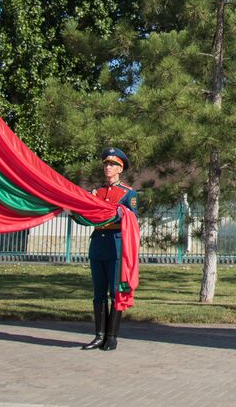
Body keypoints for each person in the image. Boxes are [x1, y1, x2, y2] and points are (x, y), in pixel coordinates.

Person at [84, 146, 137, 351]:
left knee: (115, 292)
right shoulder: (96, 192)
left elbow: (132, 218)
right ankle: (99, 335)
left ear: (120, 169)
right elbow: (86, 212)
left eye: (113, 164)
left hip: (116, 244)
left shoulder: (127, 194)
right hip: (98, 243)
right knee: (98, 292)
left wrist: (118, 213)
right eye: (106, 163)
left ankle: (112, 336)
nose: (108, 167)